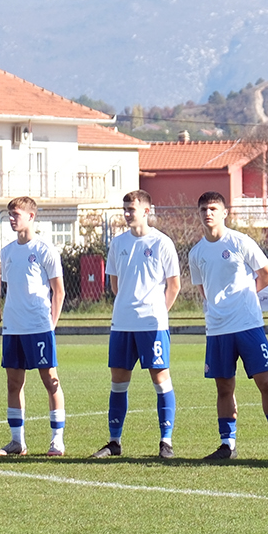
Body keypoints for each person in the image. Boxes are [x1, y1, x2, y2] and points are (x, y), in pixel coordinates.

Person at [187, 191, 268, 461]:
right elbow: (203, 290)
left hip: (248, 325)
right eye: (203, 209)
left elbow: (267, 275)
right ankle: (227, 445)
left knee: (265, 382)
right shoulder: (196, 253)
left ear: (224, 213)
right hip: (218, 329)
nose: (207, 213)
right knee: (224, 388)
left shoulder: (240, 241)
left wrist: (245, 296)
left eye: (213, 208)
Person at [97, 189, 180, 460]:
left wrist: (158, 312)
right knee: (118, 381)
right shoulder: (118, 243)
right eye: (125, 209)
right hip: (122, 324)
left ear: (146, 210)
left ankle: (166, 441)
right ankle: (114, 442)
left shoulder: (162, 243)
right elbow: (114, 284)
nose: (127, 213)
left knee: (160, 378)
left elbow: (174, 285)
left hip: (152, 324)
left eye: (131, 209)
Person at [0, 196, 67, 458]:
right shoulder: (7, 251)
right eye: (9, 214)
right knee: (14, 383)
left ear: (31, 217)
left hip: (39, 327)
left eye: (16, 214)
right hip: (13, 328)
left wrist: (51, 325)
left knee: (51, 381)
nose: (12, 219)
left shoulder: (45, 250)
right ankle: (17, 442)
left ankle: (57, 440)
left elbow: (59, 291)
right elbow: (9, 288)